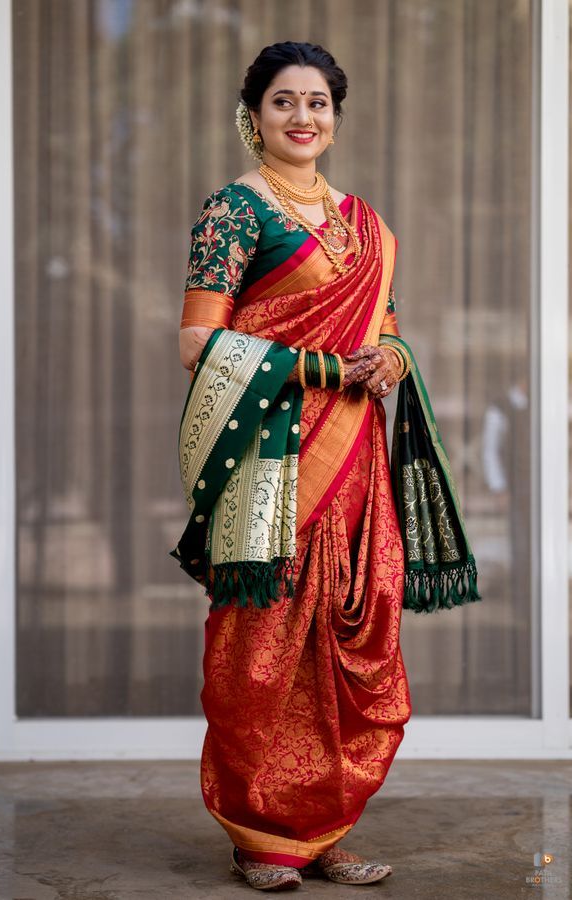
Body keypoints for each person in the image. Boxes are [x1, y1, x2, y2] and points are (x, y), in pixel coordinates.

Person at [172, 41, 480, 892]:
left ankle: (322, 828)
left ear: (335, 117)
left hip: (356, 464)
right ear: (254, 115)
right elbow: (199, 343)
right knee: (263, 643)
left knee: (355, 638)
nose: (303, 117)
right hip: (270, 459)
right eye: (284, 102)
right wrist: (319, 370)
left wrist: (395, 357)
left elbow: (384, 332)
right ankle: (257, 835)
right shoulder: (235, 212)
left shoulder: (368, 227)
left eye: (317, 102)